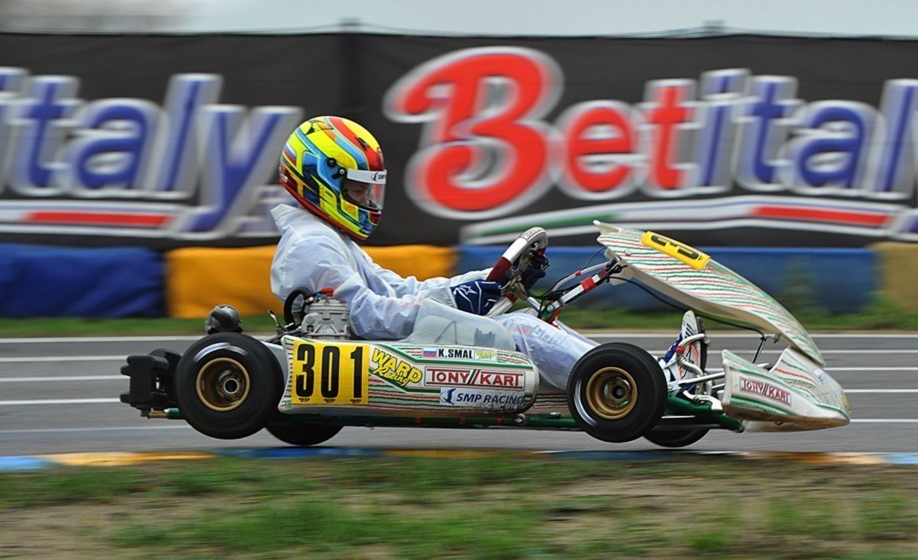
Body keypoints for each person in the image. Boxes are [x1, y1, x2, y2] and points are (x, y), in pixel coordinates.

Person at [270, 115, 690, 392]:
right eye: (358, 189)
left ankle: (646, 374)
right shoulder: (312, 246)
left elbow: (398, 290)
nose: (366, 200)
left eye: (368, 190)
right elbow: (368, 318)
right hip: (382, 357)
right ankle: (639, 382)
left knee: (531, 320)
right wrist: (451, 306)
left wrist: (481, 283)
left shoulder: (330, 239)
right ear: (320, 180)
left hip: (392, 346)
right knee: (521, 330)